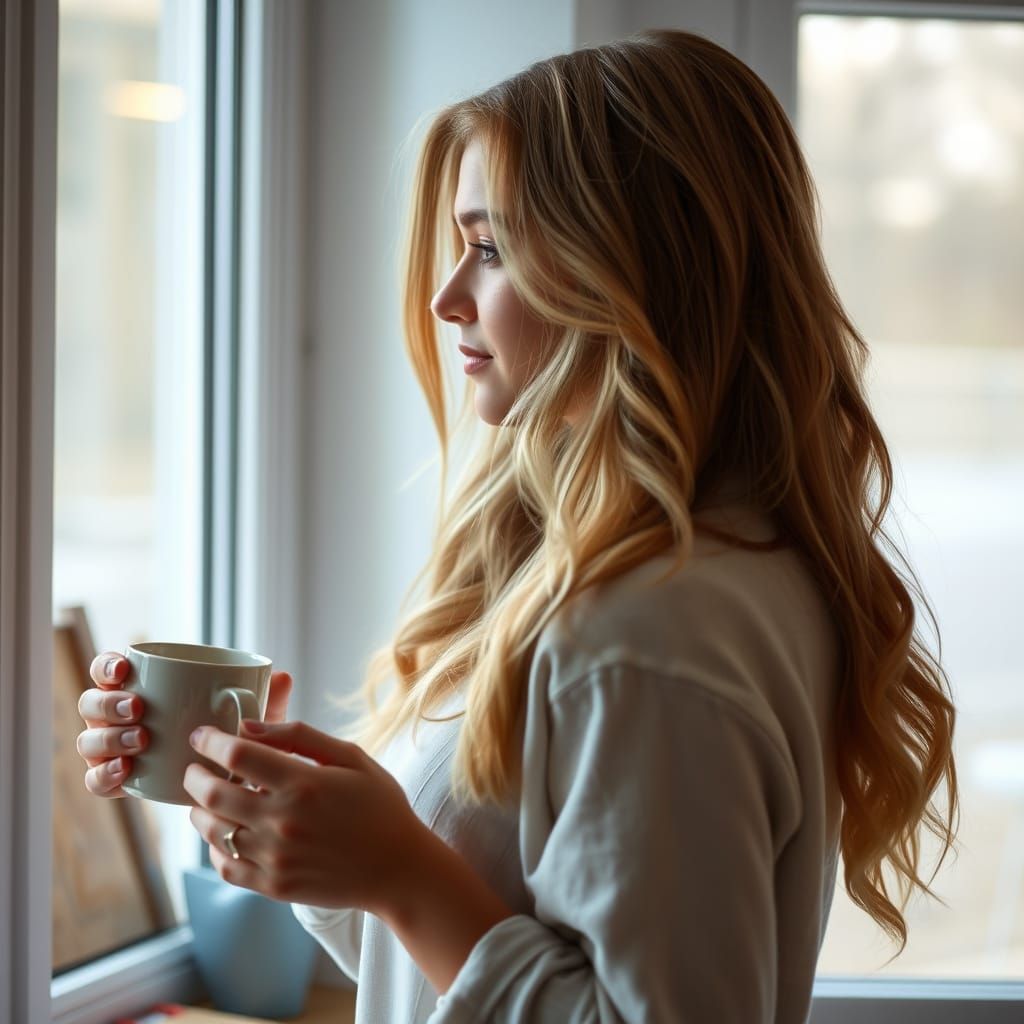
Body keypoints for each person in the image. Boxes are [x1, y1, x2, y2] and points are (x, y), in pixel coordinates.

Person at [76, 28, 959, 1024]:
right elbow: (455, 960)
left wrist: (403, 870)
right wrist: (286, 820)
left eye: (489, 248)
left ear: (632, 271)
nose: (446, 296)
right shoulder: (701, 577)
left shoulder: (649, 634)